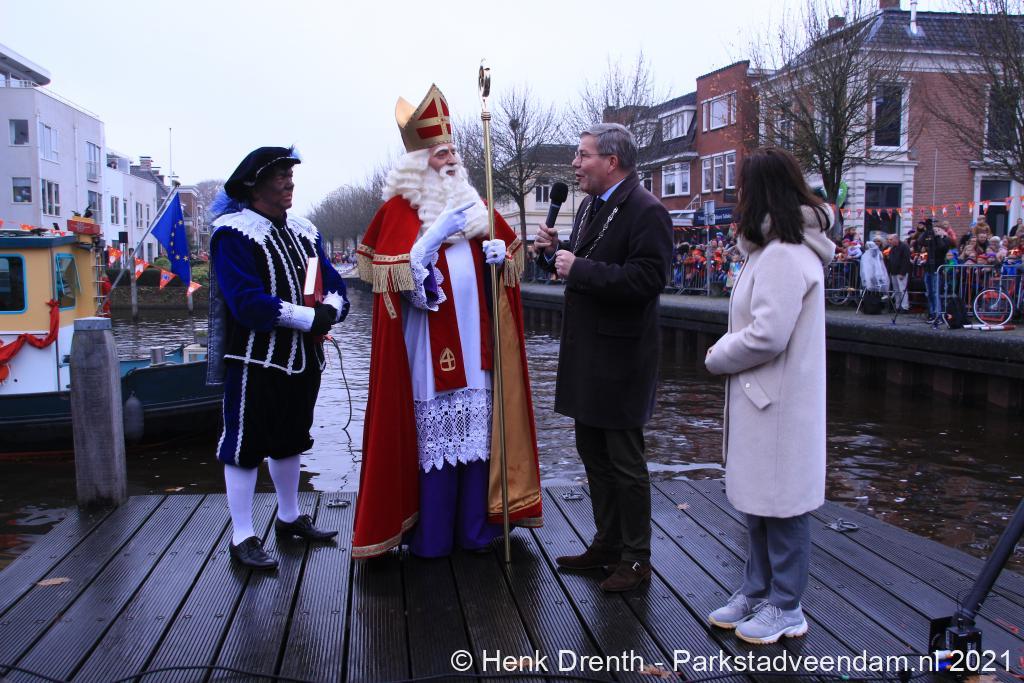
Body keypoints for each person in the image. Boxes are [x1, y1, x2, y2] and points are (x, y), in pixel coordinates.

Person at [351, 84, 543, 559]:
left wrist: (499, 258)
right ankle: (432, 536)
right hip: (425, 350)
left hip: (478, 347)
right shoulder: (399, 211)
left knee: (477, 437)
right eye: (441, 153)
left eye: (454, 151)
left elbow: (505, 273)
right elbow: (398, 284)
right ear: (419, 163)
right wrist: (428, 241)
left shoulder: (476, 206)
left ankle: (475, 529)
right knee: (435, 441)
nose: (452, 160)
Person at [534, 123, 672, 593]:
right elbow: (580, 266)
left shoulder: (647, 210)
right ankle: (608, 543)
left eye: (583, 155)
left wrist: (580, 266)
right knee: (592, 453)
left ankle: (636, 559)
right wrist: (554, 255)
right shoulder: (592, 205)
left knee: (625, 461)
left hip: (622, 359)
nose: (575, 164)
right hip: (588, 354)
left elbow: (648, 280)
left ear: (611, 162)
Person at [704, 147, 834, 645]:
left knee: (784, 508)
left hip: (777, 405)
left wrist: (719, 354)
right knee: (762, 505)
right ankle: (759, 590)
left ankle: (786, 604)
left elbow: (767, 335)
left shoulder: (781, 255)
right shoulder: (775, 251)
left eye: (741, 187)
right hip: (770, 402)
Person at [206, 146, 349, 569]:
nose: (290, 182)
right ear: (255, 185)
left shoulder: (305, 231)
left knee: (291, 439)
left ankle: (288, 517)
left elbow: (335, 284)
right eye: (280, 175)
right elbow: (247, 304)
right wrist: (310, 317)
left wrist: (332, 309)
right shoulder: (232, 233)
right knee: (244, 446)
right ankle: (242, 535)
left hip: (304, 360)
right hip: (254, 362)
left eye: (291, 174)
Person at [912, 218, 950, 322]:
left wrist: (937, 236)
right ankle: (932, 313)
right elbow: (920, 242)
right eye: (935, 229)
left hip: (937, 269)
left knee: (935, 292)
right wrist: (927, 231)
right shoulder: (929, 239)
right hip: (928, 268)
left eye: (938, 230)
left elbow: (942, 248)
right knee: (929, 292)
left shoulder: (945, 240)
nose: (935, 231)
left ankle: (938, 315)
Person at [886, 233, 912, 311]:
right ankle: (897, 306)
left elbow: (906, 260)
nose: (889, 241)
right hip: (893, 272)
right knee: (896, 290)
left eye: (891, 239)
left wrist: (902, 273)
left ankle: (904, 306)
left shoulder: (904, 247)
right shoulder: (892, 248)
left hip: (901, 272)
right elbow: (891, 260)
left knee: (902, 289)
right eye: (888, 239)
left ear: (896, 239)